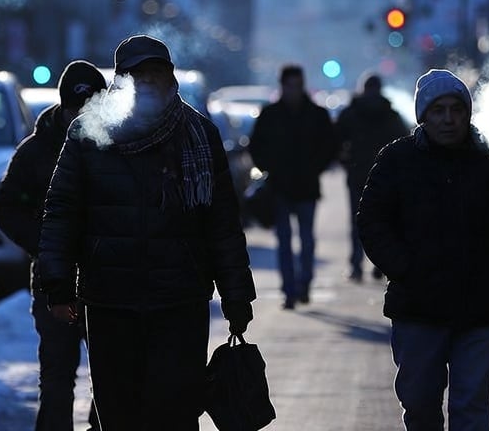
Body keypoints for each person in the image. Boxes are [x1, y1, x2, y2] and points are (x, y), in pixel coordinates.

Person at [36, 34, 256, 431]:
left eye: (158, 74)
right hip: (109, 301)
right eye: (140, 76)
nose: (150, 84)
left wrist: (236, 294)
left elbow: (221, 223)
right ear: (121, 83)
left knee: (175, 414)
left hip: (180, 302)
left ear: (170, 79)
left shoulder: (198, 135)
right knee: (119, 414)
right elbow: (62, 212)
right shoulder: (88, 134)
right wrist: (56, 282)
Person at [358, 68, 489, 431]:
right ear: (424, 116)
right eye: (438, 110)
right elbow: (372, 220)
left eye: (456, 109)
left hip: (478, 307)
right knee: (420, 404)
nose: (449, 119)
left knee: (471, 407)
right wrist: (405, 269)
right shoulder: (397, 160)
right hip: (418, 308)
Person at [0, 60, 107, 431]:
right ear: (62, 107)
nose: (84, 118)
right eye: (77, 109)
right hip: (53, 279)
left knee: (110, 374)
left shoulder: (117, 147)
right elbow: (8, 208)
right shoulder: (35, 150)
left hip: (105, 276)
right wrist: (45, 245)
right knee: (57, 376)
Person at [248, 64, 339, 309]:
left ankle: (303, 285)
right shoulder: (271, 114)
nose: (294, 91)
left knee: (306, 240)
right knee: (286, 241)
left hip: (306, 186)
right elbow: (256, 146)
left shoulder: (315, 114)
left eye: (297, 86)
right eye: (290, 86)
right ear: (283, 86)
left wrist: (315, 167)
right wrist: (270, 169)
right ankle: (290, 290)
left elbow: (330, 145)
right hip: (281, 187)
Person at [334, 72, 408, 282]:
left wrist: (346, 162)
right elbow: (403, 141)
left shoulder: (351, 112)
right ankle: (380, 264)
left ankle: (357, 265)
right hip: (385, 176)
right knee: (384, 221)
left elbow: (336, 140)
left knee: (357, 222)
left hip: (357, 174)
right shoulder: (390, 113)